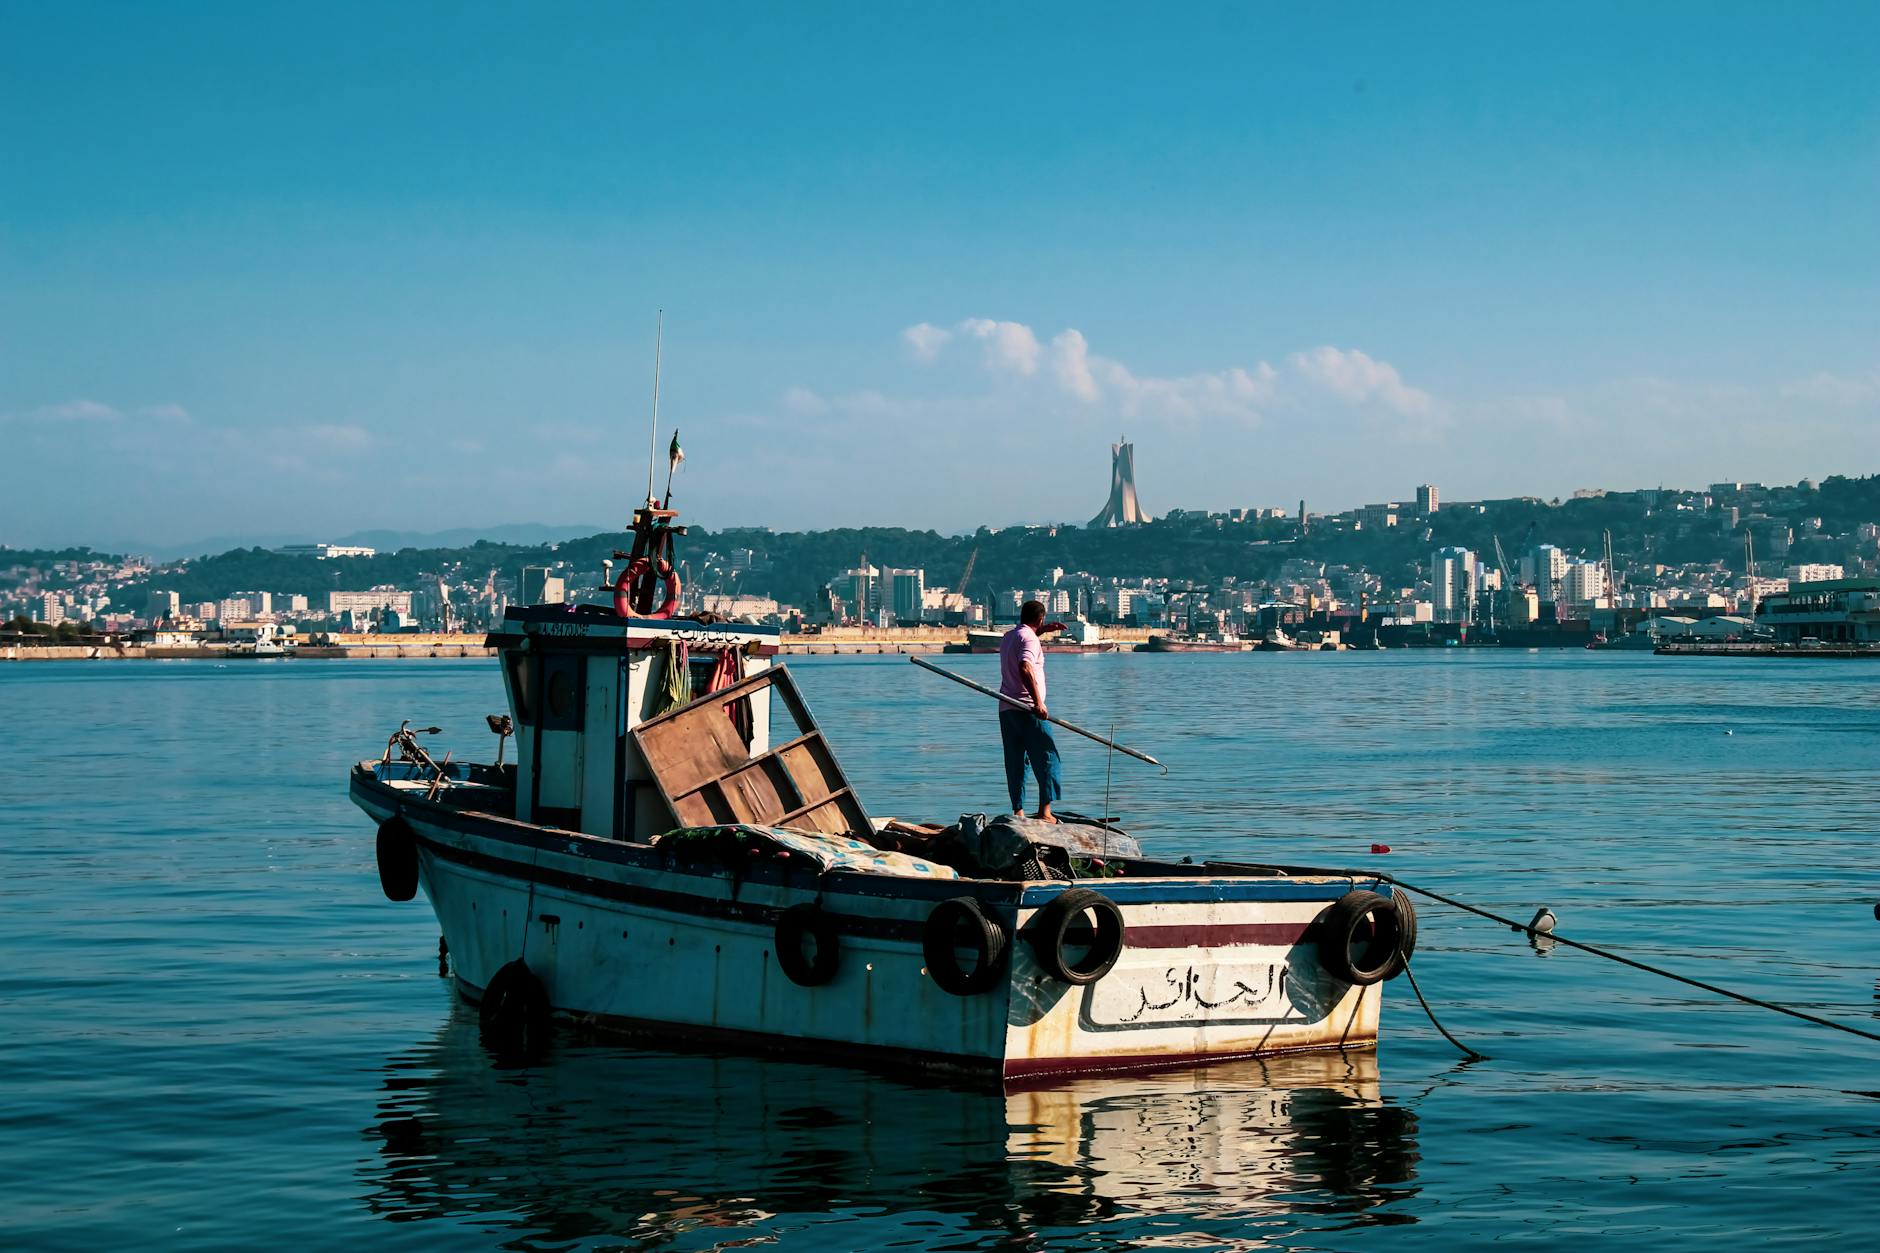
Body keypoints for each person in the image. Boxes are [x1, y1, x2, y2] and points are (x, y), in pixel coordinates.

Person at [997, 600, 1065, 823]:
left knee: (1016, 761)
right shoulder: (1030, 639)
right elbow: (1025, 666)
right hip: (1028, 709)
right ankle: (1045, 813)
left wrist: (1041, 631)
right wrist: (1038, 703)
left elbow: (1023, 640)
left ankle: (1018, 812)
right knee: (1047, 757)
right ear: (1040, 618)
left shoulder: (1009, 637)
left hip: (1007, 709)